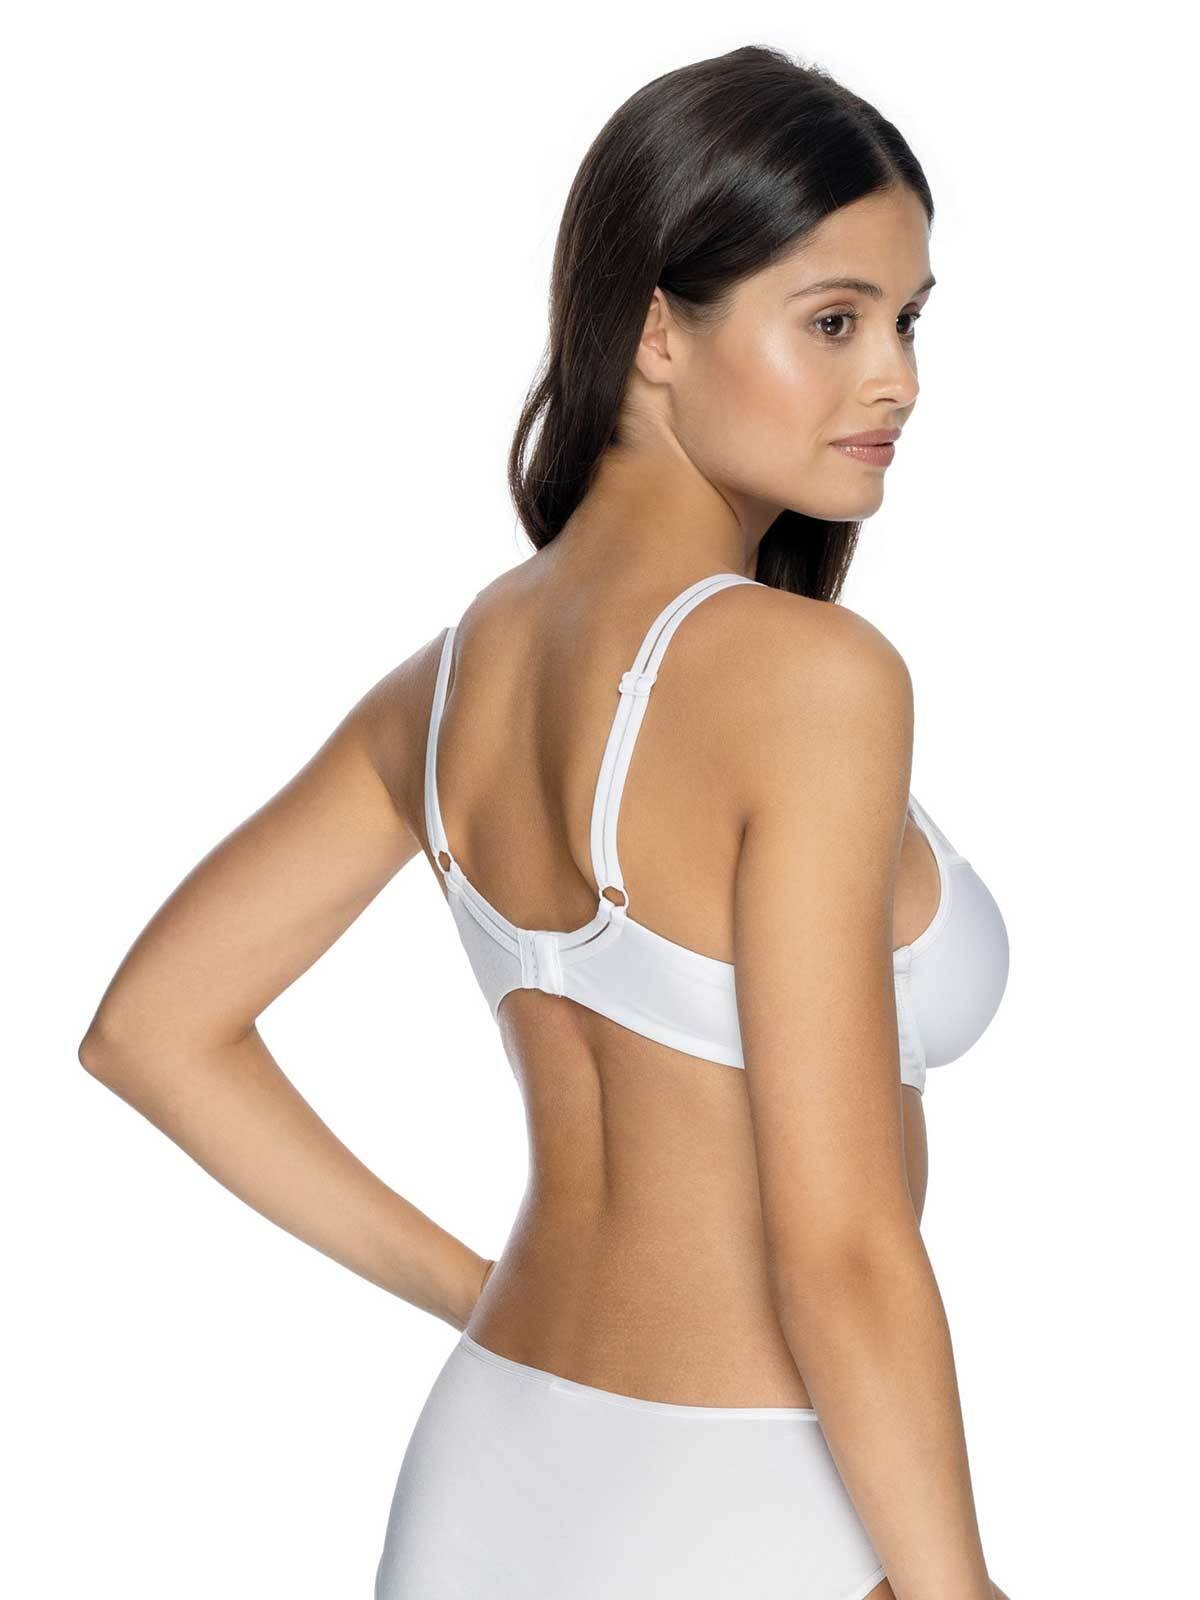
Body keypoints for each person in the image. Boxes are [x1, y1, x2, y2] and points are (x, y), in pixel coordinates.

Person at [79, 43, 1013, 1600]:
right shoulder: (812, 681)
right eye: (834, 320)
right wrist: (957, 1587)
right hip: (755, 1501)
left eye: (909, 319)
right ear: (656, 331)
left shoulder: (450, 682)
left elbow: (151, 1033)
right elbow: (841, 1247)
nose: (898, 378)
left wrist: (481, 1300)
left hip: (489, 1469)